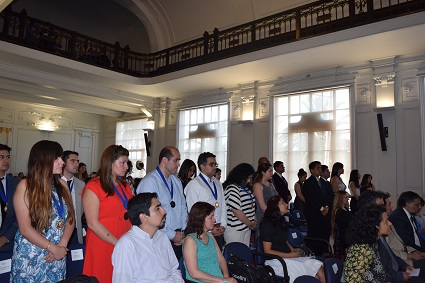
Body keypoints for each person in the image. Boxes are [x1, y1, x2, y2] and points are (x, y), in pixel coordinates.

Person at [11, 140, 75, 282]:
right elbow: (25, 229)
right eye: (57, 158)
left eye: (61, 158)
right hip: (31, 256)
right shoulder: (25, 186)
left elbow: (71, 218)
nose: (62, 162)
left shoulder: (62, 185)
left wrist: (62, 245)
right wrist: (52, 247)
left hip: (57, 254)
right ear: (42, 159)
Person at [82, 145, 133, 283]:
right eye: (122, 162)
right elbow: (92, 223)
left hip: (123, 238)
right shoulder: (93, 186)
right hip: (103, 242)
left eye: (126, 162)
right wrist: (118, 243)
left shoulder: (124, 185)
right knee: (103, 276)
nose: (126, 166)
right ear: (109, 163)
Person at [112, 193, 184, 283]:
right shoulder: (127, 244)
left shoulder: (162, 237)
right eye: (158, 209)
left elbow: (174, 270)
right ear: (143, 217)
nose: (164, 211)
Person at [260, 195, 325, 283]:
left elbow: (285, 241)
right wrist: (290, 255)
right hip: (276, 261)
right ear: (275, 207)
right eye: (283, 203)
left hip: (288, 257)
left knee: (318, 266)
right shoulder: (267, 224)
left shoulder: (281, 221)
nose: (286, 204)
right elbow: (267, 251)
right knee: (314, 277)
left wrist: (293, 251)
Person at [137, 146, 187, 259]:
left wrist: (183, 230)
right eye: (176, 160)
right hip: (159, 236)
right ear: (165, 160)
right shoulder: (150, 182)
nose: (179, 164)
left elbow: (183, 207)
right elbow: (149, 215)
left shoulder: (176, 181)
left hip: (179, 236)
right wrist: (172, 234)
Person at [183, 201, 237, 283]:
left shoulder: (210, 236)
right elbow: (194, 273)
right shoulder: (190, 240)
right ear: (200, 219)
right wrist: (222, 281)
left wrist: (226, 276)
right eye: (211, 217)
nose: (214, 220)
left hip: (218, 279)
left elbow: (221, 259)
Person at [185, 152, 227, 250]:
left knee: (217, 262)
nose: (214, 167)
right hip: (203, 233)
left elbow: (223, 206)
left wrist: (223, 226)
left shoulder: (218, 184)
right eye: (211, 164)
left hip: (218, 230)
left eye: (215, 164)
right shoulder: (194, 184)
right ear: (202, 166)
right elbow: (193, 212)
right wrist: (210, 230)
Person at [343, 204, 387, 283]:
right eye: (386, 222)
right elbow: (352, 281)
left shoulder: (372, 243)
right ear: (376, 226)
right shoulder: (363, 249)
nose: (390, 223)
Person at [303, 161, 333, 254]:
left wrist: (326, 207)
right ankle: (314, 252)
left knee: (324, 232)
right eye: (317, 168)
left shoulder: (322, 182)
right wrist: (321, 208)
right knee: (315, 233)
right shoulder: (308, 183)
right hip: (314, 213)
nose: (320, 170)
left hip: (324, 212)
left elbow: (327, 196)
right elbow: (311, 199)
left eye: (320, 168)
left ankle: (323, 250)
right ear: (312, 170)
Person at [223, 163, 256, 246]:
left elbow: (251, 205)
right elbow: (236, 211)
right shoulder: (232, 188)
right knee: (235, 256)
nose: (249, 181)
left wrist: (253, 220)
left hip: (246, 227)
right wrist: (249, 223)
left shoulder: (244, 188)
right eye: (248, 178)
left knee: (244, 256)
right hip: (236, 229)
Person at [61, 150, 85, 244]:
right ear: (63, 162)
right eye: (73, 161)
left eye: (77, 161)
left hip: (75, 229)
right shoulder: (53, 183)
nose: (77, 164)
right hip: (58, 230)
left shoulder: (81, 184)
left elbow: (82, 209)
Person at [0, 144, 19, 252]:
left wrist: (5, 237)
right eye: (1, 157)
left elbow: (20, 215)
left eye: (7, 157)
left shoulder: (16, 183)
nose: (5, 160)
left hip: (8, 240)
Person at [252, 162, 278, 238]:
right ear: (263, 172)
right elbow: (262, 206)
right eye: (269, 171)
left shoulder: (271, 185)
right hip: (263, 216)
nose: (272, 173)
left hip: (273, 216)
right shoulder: (258, 185)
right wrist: (273, 215)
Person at [331, 190, 352, 257]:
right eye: (345, 197)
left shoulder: (344, 210)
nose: (347, 199)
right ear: (340, 199)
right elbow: (347, 224)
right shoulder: (340, 212)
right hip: (344, 238)